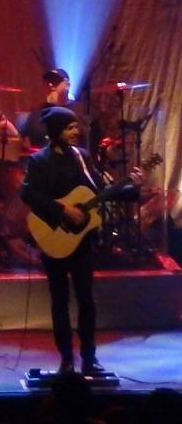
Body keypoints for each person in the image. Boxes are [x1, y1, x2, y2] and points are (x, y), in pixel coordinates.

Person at [20, 106, 142, 375]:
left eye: (76, 126)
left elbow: (100, 191)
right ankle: (66, 359)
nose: (76, 131)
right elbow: (28, 194)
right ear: (56, 131)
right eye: (69, 127)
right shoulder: (39, 161)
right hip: (53, 236)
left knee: (87, 300)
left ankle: (89, 358)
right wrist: (62, 210)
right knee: (60, 301)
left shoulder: (82, 157)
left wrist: (131, 187)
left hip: (82, 240)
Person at [19, 68, 75, 152]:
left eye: (55, 81)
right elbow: (24, 141)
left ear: (67, 85)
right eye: (48, 81)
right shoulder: (37, 112)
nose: (50, 84)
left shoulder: (76, 111)